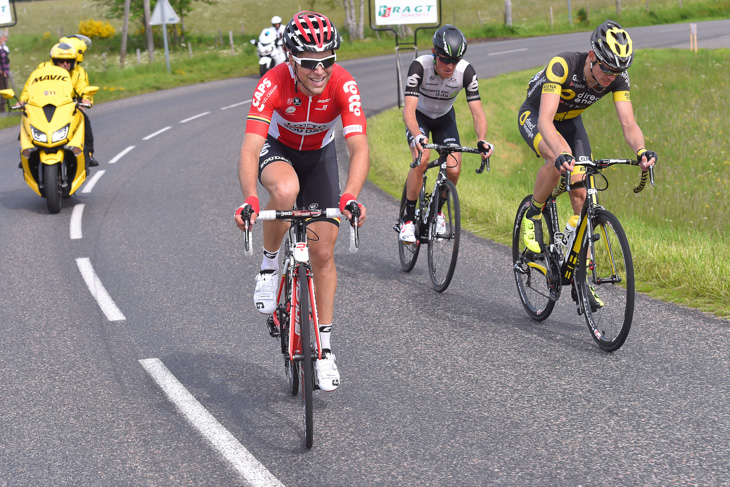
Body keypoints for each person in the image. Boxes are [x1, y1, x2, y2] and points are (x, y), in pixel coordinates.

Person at [234, 11, 369, 392]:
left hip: (320, 157)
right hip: (279, 152)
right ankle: (270, 264)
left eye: (328, 60)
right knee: (285, 192)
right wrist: (248, 199)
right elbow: (250, 149)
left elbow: (359, 148)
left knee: (323, 254)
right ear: (291, 58)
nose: (320, 70)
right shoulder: (272, 83)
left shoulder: (343, 83)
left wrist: (350, 197)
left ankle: (324, 350)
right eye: (310, 63)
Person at [517, 20, 657, 308]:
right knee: (559, 163)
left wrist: (641, 150)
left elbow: (628, 122)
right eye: (606, 68)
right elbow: (545, 120)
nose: (610, 77)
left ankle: (582, 278)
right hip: (536, 117)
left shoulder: (617, 77)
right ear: (592, 56)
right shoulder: (563, 65)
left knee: (582, 195)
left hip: (570, 122)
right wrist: (560, 152)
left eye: (617, 71)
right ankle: (533, 214)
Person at [399, 24, 493, 243]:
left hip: (444, 119)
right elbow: (409, 110)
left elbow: (477, 113)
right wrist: (417, 135)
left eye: (455, 61)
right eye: (445, 60)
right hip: (419, 117)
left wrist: (481, 140)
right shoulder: (419, 67)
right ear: (434, 53)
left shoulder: (467, 72)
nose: (450, 66)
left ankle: (438, 212)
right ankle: (408, 219)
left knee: (454, 168)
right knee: (421, 159)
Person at [18, 40, 99, 167]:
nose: (65, 64)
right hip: (42, 105)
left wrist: (85, 99)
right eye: (61, 61)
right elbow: (30, 86)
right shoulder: (42, 69)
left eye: (68, 61)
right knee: (27, 120)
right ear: (54, 61)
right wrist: (22, 100)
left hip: (67, 108)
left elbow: (83, 88)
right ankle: (27, 154)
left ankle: (88, 154)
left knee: (85, 121)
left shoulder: (78, 73)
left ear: (74, 61)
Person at [0, 30, 10, 113]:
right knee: (2, 90)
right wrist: (1, 72)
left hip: (5, 72)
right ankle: (2, 110)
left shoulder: (3, 48)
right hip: (1, 73)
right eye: (4, 38)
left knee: (4, 90)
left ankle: (3, 109)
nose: (5, 39)